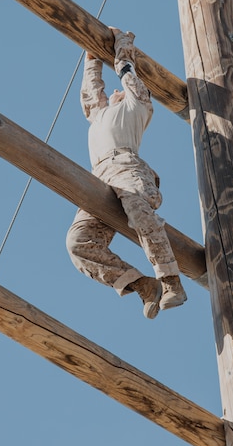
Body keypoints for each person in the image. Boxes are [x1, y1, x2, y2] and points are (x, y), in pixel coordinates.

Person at [65, 27, 186, 319]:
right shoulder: (99, 115)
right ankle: (141, 284)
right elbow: (91, 90)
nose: (114, 92)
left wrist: (122, 43)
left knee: (137, 207)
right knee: (78, 242)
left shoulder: (137, 106)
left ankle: (170, 280)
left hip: (126, 167)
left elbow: (128, 74)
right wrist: (91, 53)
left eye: (118, 90)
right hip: (99, 177)